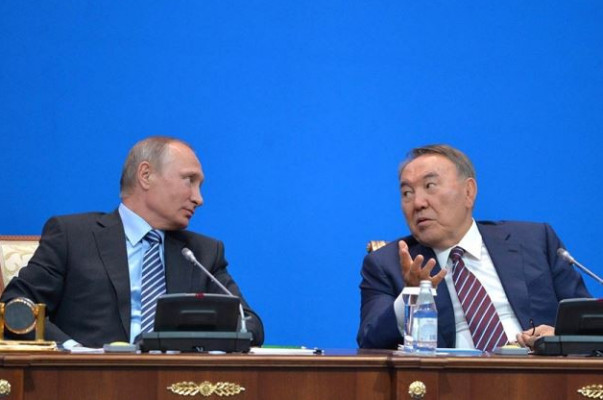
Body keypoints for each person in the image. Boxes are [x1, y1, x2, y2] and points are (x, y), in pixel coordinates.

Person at [1, 136, 264, 348]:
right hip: (89, 381)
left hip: (175, 381)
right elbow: (15, 306)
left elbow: (250, 324)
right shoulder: (73, 237)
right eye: (189, 181)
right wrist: (74, 352)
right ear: (145, 175)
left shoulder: (202, 253)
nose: (199, 198)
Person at [357, 144, 590, 350]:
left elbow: (589, 324)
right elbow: (369, 341)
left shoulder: (534, 240)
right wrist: (412, 296)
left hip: (542, 374)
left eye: (430, 186)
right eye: (407, 193)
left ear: (468, 192)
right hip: (453, 380)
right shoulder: (387, 264)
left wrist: (559, 337)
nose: (418, 203)